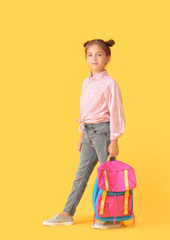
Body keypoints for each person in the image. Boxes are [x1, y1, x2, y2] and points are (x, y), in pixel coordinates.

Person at [43, 39, 126, 227]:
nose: (94, 58)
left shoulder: (110, 84)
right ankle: (67, 212)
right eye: (90, 55)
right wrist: (82, 134)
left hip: (104, 132)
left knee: (108, 175)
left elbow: (116, 112)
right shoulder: (85, 82)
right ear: (86, 58)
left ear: (108, 58)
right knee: (81, 175)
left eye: (99, 54)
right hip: (88, 132)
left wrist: (114, 140)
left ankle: (112, 216)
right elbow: (84, 110)